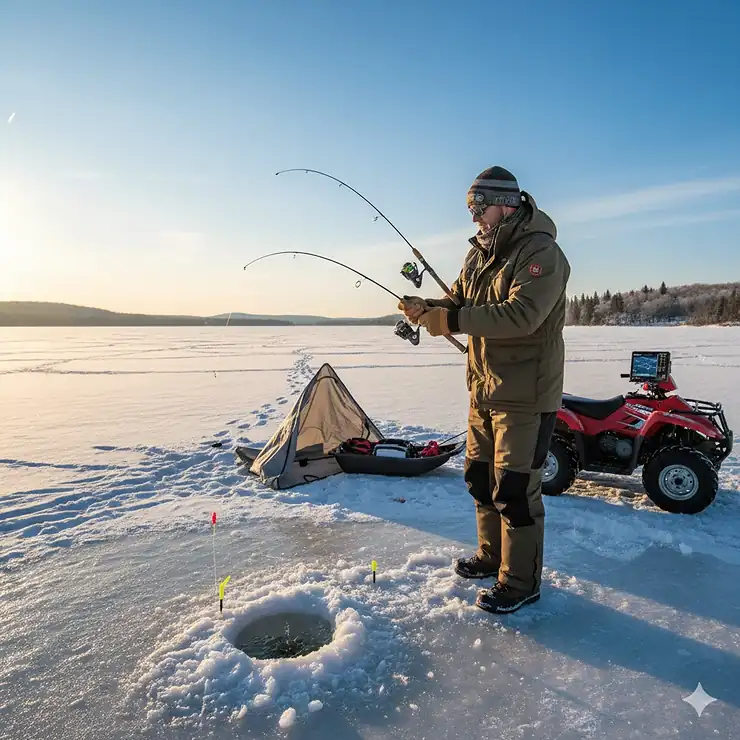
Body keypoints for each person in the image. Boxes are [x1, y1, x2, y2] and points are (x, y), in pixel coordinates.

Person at [399, 166, 570, 614]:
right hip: (483, 388)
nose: (473, 216)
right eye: (470, 207)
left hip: (525, 395)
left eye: (479, 206)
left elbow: (521, 316)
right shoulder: (478, 252)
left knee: (515, 490)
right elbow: (459, 301)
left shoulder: (541, 253)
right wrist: (428, 307)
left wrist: (450, 321)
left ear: (506, 204)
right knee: (479, 479)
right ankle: (492, 557)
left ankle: (520, 582)